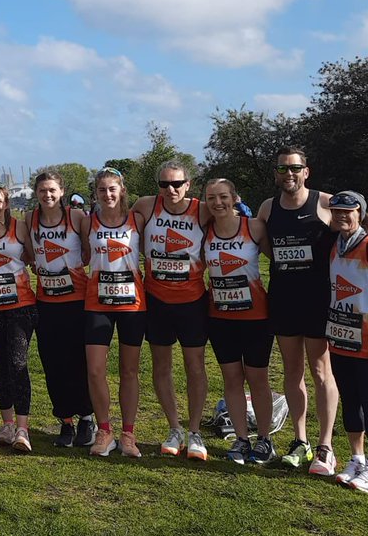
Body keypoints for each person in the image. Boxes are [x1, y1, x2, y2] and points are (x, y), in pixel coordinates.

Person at [258, 147, 337, 474]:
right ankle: (300, 441)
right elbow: (266, 249)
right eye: (282, 168)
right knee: (292, 371)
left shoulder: (325, 203)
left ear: (306, 171)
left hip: (319, 301)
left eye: (295, 168)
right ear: (276, 173)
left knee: (320, 372)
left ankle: (326, 446)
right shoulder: (267, 208)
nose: (288, 174)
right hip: (284, 300)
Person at [131, 160, 209, 462]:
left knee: (195, 366)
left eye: (177, 183)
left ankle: (195, 431)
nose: (171, 189)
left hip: (192, 300)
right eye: (164, 184)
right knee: (161, 366)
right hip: (157, 300)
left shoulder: (201, 210)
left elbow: (230, 218)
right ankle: (174, 428)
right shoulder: (146, 206)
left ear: (188, 184)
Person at [201, 178, 275, 465]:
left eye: (223, 197)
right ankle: (242, 439)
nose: (217, 203)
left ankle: (265, 440)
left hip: (256, 316)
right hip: (219, 317)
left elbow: (279, 260)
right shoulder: (205, 232)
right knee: (232, 379)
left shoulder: (254, 227)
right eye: (211, 198)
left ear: (234, 198)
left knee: (258, 379)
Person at [324, 192, 368, 493]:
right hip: (341, 337)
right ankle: (357, 459)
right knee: (350, 400)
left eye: (348, 212)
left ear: (360, 214)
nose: (342, 217)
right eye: (336, 212)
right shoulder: (334, 246)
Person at [84, 167, 147, 458]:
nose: (107, 195)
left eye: (112, 189)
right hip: (97, 303)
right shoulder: (89, 222)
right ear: (95, 194)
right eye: (101, 190)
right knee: (96, 369)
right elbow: (83, 256)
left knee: (129, 370)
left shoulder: (138, 220)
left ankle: (129, 434)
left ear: (122, 189)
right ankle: (105, 430)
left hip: (132, 304)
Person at [31, 171, 95, 448]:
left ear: (62, 191)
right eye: (43, 190)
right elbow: (29, 253)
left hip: (77, 301)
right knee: (53, 364)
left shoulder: (77, 217)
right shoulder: (30, 219)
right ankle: (65, 420)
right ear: (37, 193)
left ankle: (87, 418)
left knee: (79, 361)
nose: (48, 195)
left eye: (52, 190)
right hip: (46, 303)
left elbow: (90, 251)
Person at [0, 183, 37, 452]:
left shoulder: (19, 227)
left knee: (18, 362)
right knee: (0, 364)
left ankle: (23, 428)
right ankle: (7, 423)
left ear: (7, 202)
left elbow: (34, 258)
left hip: (20, 305)